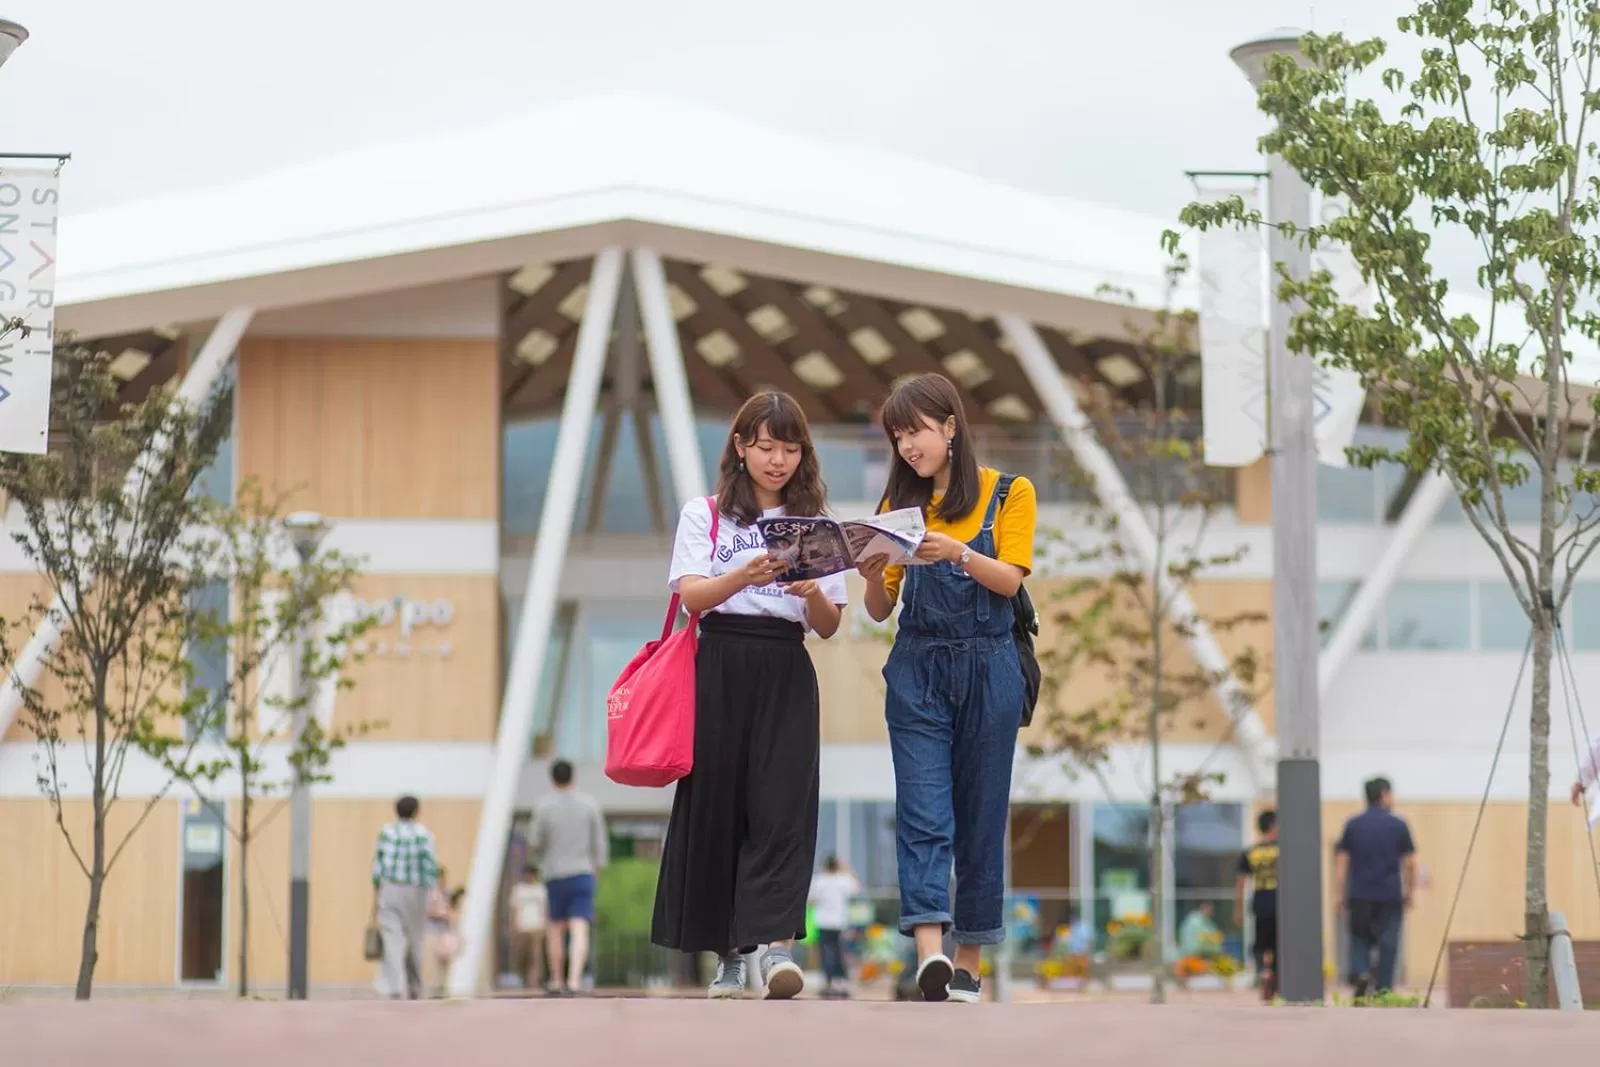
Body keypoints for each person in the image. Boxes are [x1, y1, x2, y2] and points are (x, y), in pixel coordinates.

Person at [651, 391, 848, 1000]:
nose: (778, 460)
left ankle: (781, 949)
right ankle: (731, 957)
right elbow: (692, 598)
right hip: (720, 663)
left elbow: (830, 623)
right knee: (721, 808)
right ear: (740, 447)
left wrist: (811, 589)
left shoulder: (816, 522)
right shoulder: (705, 514)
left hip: (786, 666)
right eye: (766, 447)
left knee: (784, 808)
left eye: (790, 449)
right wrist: (744, 575)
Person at [860, 372, 1037, 1004]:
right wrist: (874, 572)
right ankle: (930, 953)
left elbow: (1010, 582)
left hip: (990, 668)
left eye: (917, 430)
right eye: (898, 435)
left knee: (981, 817)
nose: (908, 445)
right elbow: (879, 611)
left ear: (950, 427)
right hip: (917, 668)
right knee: (922, 812)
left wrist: (955, 552)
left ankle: (968, 957)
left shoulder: (1010, 492)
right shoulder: (894, 512)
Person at [529, 759, 608, 996]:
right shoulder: (590, 805)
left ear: (552, 778)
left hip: (554, 873)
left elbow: (534, 842)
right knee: (580, 927)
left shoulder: (543, 807)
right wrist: (597, 870)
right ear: (573, 777)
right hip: (583, 872)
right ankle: (574, 981)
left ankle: (555, 980)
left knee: (555, 928)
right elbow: (600, 844)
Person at [1334, 776, 1417, 997]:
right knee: (1388, 943)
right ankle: (1383, 989)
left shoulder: (1353, 824)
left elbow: (1342, 862)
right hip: (1389, 894)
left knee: (1359, 938)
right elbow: (1409, 863)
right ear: (1384, 794)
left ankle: (1361, 972)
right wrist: (1409, 891)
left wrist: (1338, 895)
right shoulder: (1399, 825)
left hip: (1359, 893)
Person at [371, 794, 440, 999]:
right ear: (417, 811)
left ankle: (396, 985)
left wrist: (377, 891)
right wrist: (431, 891)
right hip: (417, 890)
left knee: (393, 938)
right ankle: (416, 985)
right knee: (416, 938)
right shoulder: (423, 834)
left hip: (390, 888)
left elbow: (377, 866)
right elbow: (429, 865)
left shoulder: (386, 833)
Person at [1235, 809, 1280, 1002]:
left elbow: (1241, 881)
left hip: (1260, 900)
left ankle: (1263, 972)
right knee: (1280, 944)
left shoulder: (1251, 852)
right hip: (1280, 901)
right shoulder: (1282, 850)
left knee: (1261, 943)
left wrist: (1237, 908)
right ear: (1272, 826)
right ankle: (1275, 977)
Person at [809, 855, 861, 998]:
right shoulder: (843, 880)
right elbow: (856, 887)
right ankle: (841, 981)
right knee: (839, 952)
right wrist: (846, 868)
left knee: (826, 953)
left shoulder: (819, 880)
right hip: (839, 922)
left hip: (823, 922)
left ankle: (829, 982)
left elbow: (811, 900)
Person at [508, 865, 549, 992]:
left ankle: (533, 982)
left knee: (536, 956)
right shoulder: (519, 890)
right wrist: (512, 926)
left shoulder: (541, 890)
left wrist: (546, 926)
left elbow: (545, 909)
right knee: (522, 956)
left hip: (537, 927)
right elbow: (513, 909)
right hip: (522, 927)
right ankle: (524, 978)